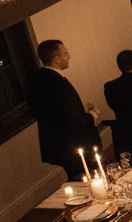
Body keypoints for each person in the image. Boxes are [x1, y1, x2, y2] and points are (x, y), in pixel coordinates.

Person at [25, 40, 102, 180]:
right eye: (66, 53)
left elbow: (48, 111)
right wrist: (92, 115)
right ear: (57, 59)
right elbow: (74, 123)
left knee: (78, 180)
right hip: (75, 147)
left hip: (56, 147)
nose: (69, 56)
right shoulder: (59, 84)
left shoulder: (37, 81)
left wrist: (77, 109)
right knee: (90, 180)